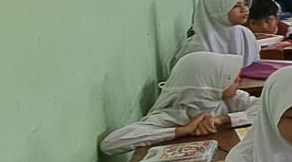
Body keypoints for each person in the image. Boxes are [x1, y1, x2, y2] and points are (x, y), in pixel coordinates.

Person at [100, 52, 251, 154]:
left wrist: (222, 119)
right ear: (208, 85)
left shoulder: (230, 99)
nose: (239, 82)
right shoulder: (173, 114)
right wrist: (181, 130)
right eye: (232, 80)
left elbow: (267, 109)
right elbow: (110, 143)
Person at [175, 0, 261, 66]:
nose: (245, 9)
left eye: (246, 4)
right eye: (236, 6)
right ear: (216, 10)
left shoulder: (245, 34)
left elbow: (255, 67)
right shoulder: (197, 47)